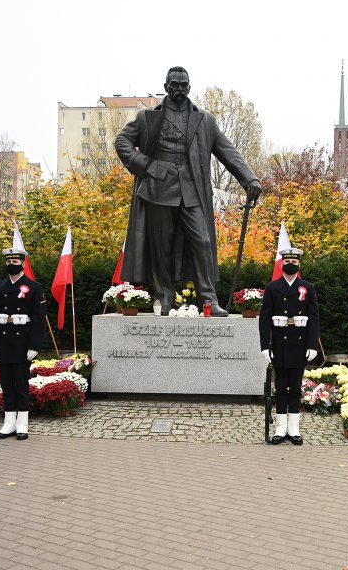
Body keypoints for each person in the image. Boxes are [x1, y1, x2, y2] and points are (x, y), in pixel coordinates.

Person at [115, 66, 262, 316]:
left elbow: (228, 151)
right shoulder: (147, 117)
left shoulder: (205, 120)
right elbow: (122, 141)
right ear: (166, 87)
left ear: (190, 88)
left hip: (191, 189)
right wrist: (147, 165)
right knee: (162, 246)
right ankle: (165, 296)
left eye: (184, 85)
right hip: (158, 189)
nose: (179, 89)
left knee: (202, 241)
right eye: (175, 84)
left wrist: (250, 179)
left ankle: (209, 300)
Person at [259, 248, 320, 445]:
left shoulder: (307, 287)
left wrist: (312, 345)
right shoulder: (272, 287)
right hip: (278, 344)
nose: (290, 264)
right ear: (282, 264)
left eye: (294, 261)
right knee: (279, 388)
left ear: (299, 265)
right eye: (287, 261)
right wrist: (264, 347)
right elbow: (265, 319)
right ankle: (280, 428)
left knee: (294, 388)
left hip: (299, 345)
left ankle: (294, 429)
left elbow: (314, 318)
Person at [0, 248, 47, 440]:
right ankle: (9, 423)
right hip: (3, 340)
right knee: (5, 384)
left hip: (22, 341)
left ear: (22, 263)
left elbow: (39, 319)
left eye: (15, 262)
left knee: (21, 384)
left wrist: (35, 345)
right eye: (8, 263)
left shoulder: (34, 287)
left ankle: (22, 424)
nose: (11, 266)